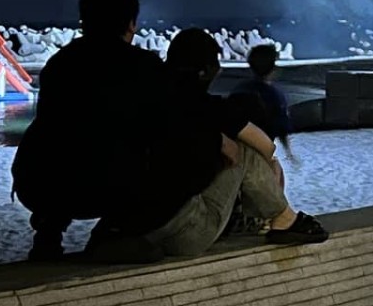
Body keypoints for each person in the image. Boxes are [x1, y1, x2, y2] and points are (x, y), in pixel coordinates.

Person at [12, 0, 173, 262]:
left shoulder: (59, 64)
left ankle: (50, 230)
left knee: (66, 144)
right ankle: (112, 231)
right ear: (131, 24)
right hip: (107, 184)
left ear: (84, 22)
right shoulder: (145, 67)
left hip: (40, 183)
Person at [133, 27, 326, 252]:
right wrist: (270, 162)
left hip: (133, 229)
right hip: (183, 233)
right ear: (207, 71)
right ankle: (283, 218)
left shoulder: (146, 104)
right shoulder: (212, 108)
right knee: (246, 150)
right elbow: (265, 145)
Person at [231, 42, 298, 179]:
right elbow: (282, 129)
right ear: (273, 68)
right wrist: (289, 153)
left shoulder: (238, 90)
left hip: (235, 153)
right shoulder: (275, 96)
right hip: (262, 152)